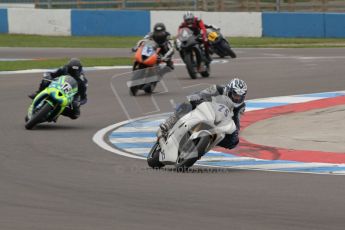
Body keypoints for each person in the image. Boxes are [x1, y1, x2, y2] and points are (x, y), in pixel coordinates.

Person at [158, 78, 248, 150]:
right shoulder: (217, 89)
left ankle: (205, 146)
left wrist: (235, 132)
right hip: (205, 110)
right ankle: (167, 125)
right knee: (187, 104)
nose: (237, 99)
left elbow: (236, 120)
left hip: (218, 122)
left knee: (233, 141)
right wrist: (197, 99)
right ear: (229, 90)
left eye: (240, 97)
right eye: (235, 95)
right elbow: (201, 94)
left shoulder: (241, 106)